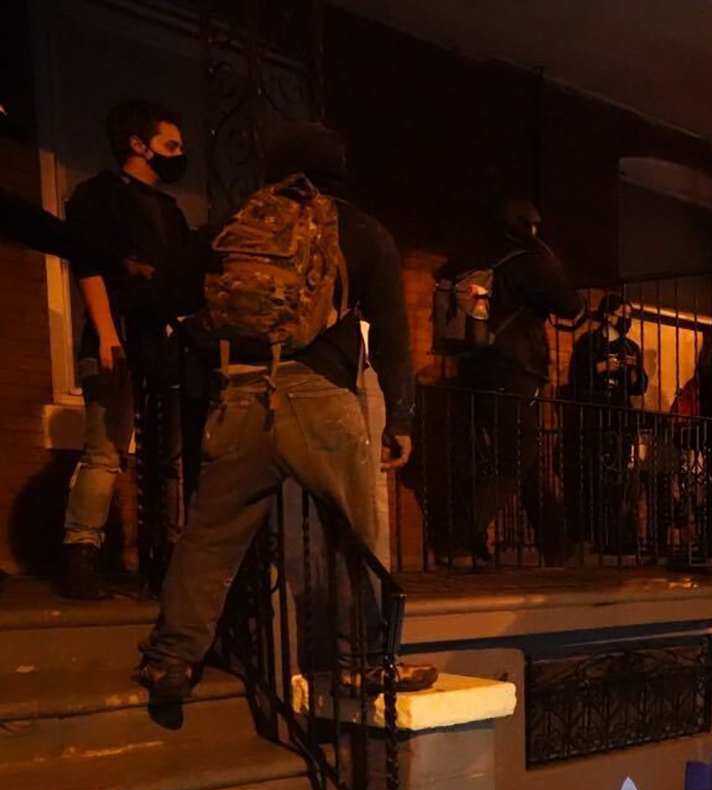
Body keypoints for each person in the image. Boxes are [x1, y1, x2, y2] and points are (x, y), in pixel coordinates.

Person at [135, 122, 433, 704]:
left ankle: (170, 661)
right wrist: (400, 419)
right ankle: (362, 665)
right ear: (337, 170)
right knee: (352, 539)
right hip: (323, 399)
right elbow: (395, 336)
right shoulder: (364, 232)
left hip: (242, 393)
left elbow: (162, 296)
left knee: (209, 538)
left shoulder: (235, 222)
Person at [59, 99, 207, 600]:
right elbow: (89, 265)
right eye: (170, 145)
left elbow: (183, 279)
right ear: (138, 145)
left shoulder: (167, 210)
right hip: (118, 334)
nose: (178, 154)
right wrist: (107, 335)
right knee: (105, 449)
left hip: (161, 343)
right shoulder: (98, 196)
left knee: (167, 456)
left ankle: (163, 556)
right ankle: (81, 554)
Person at [452, 198, 581, 564]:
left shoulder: (478, 262)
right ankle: (458, 540)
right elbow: (569, 304)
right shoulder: (525, 262)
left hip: (478, 368)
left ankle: (558, 546)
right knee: (515, 458)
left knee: (527, 462)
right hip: (515, 368)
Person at [564, 292, 649, 550]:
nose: (627, 321)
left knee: (619, 475)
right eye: (623, 315)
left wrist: (633, 370)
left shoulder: (630, 347)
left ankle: (614, 534)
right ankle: (587, 532)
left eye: (630, 317)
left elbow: (638, 387)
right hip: (593, 415)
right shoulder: (588, 342)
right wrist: (600, 368)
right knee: (591, 473)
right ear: (608, 315)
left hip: (619, 416)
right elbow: (575, 378)